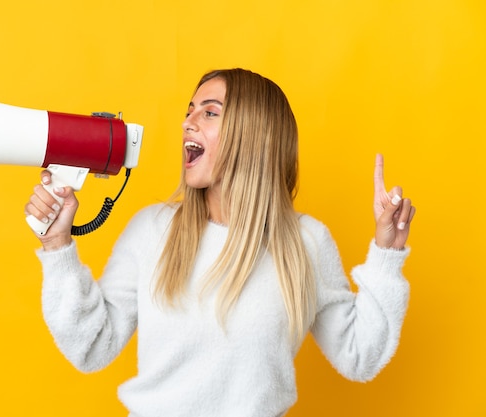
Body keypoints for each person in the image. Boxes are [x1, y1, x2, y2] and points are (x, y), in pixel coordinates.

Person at [24, 68, 416, 417]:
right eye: (189, 111)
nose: (188, 123)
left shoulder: (306, 243)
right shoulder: (152, 230)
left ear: (255, 134)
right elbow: (92, 346)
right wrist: (58, 245)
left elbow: (359, 356)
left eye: (209, 113)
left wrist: (388, 254)